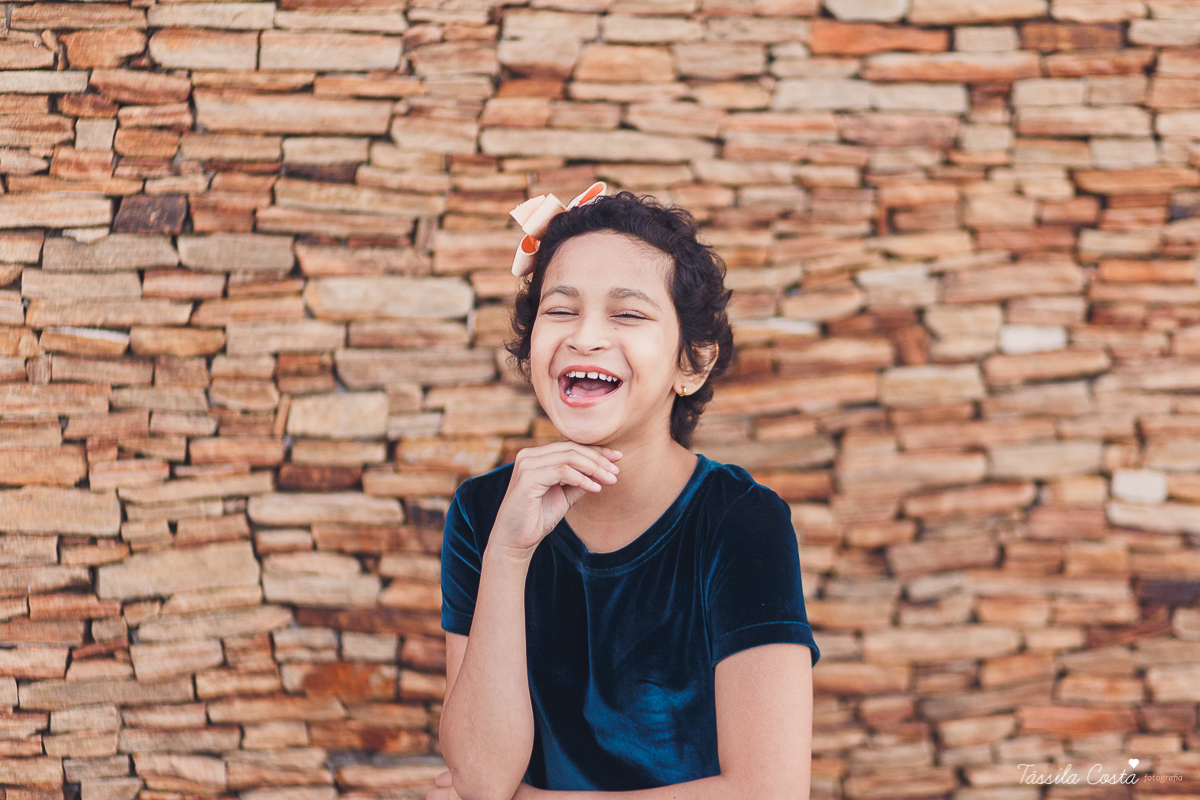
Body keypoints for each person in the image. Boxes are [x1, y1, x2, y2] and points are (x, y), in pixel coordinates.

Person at [427, 186, 821, 800]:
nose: (585, 337)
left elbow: (770, 791)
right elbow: (480, 779)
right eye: (561, 310)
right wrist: (507, 555)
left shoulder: (742, 523)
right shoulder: (483, 513)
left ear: (692, 363)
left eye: (628, 315)